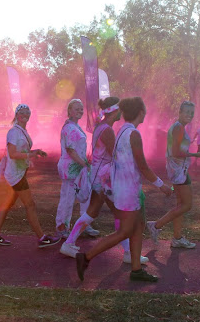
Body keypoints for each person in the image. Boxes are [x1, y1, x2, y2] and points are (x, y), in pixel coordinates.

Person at [76, 97, 174, 283]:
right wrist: (163, 187)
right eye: (145, 110)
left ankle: (136, 269)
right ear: (140, 112)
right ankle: (86, 257)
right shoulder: (133, 134)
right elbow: (143, 166)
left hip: (124, 188)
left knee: (137, 228)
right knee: (125, 231)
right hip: (127, 190)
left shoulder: (122, 131)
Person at [60, 97, 147, 264]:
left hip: (100, 177)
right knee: (115, 214)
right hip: (104, 180)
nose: (122, 113)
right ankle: (128, 253)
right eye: (120, 110)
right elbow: (118, 154)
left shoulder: (101, 127)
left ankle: (70, 243)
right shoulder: (107, 130)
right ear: (114, 111)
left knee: (98, 213)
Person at [0, 103, 60, 248]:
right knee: (30, 205)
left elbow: (22, 150)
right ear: (16, 115)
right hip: (15, 175)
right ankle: (42, 238)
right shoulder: (14, 132)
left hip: (18, 173)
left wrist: (36, 151)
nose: (25, 114)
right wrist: (31, 154)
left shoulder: (21, 131)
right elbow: (13, 154)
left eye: (28, 112)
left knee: (6, 205)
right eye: (22, 112)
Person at [146, 101, 200, 251]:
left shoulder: (178, 127)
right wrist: (196, 154)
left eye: (192, 113)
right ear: (180, 112)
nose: (189, 115)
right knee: (187, 205)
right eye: (187, 112)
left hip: (177, 169)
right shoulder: (179, 128)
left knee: (180, 205)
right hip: (179, 171)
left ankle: (177, 238)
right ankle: (156, 225)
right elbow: (175, 152)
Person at [55, 98, 97, 238]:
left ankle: (84, 225)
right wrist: (84, 163)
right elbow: (70, 151)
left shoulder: (75, 126)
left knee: (86, 196)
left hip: (79, 166)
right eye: (77, 109)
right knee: (68, 198)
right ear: (70, 112)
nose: (80, 111)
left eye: (81, 109)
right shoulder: (69, 128)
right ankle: (62, 227)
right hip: (71, 168)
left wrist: (85, 162)